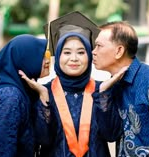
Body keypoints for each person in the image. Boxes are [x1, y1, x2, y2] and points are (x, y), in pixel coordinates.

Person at [19, 11, 127, 157]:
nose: (74, 58)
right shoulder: (43, 91)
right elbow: (43, 140)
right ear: (58, 56)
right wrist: (44, 99)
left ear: (89, 56)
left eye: (81, 52)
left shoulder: (103, 90)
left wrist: (103, 94)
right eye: (67, 52)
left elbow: (112, 135)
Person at [92, 21, 149, 156]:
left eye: (99, 46)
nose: (94, 52)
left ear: (119, 51)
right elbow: (110, 135)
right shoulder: (112, 85)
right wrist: (103, 93)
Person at [0, 34, 51, 157]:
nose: (48, 60)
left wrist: (43, 95)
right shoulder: (10, 98)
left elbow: (42, 139)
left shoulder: (23, 91)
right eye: (42, 56)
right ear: (24, 59)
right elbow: (0, 151)